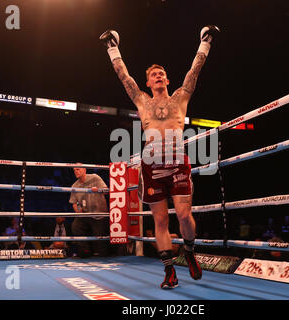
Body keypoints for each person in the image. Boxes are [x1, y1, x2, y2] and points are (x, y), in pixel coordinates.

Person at [100, 25, 220, 289]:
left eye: (161, 74)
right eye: (153, 74)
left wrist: (205, 43)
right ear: (148, 82)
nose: (158, 76)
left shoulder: (180, 98)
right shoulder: (142, 101)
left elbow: (194, 70)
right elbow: (124, 77)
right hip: (152, 167)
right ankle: (169, 271)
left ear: (167, 80)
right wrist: (112, 48)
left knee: (184, 216)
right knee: (161, 220)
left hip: (178, 164)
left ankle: (188, 251)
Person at [69, 164, 110, 258]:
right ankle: (85, 251)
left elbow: (106, 191)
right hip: (85, 214)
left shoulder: (95, 178)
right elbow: (75, 203)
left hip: (99, 214)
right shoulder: (74, 186)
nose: (76, 171)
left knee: (100, 241)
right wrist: (79, 211)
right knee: (76, 226)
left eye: (78, 169)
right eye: (74, 170)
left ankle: (103, 255)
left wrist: (98, 190)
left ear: (84, 169)